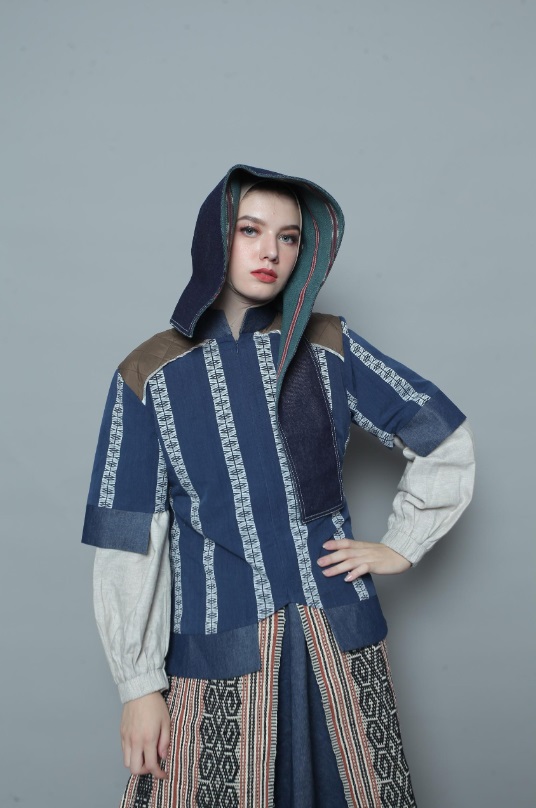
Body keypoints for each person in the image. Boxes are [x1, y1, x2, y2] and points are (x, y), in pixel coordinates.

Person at [82, 165, 475, 808]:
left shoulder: (330, 345)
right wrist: (138, 685)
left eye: (289, 237)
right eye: (250, 230)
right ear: (215, 237)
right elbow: (129, 537)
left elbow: (441, 434)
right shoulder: (149, 372)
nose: (270, 251)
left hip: (339, 638)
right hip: (219, 647)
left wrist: (401, 544)